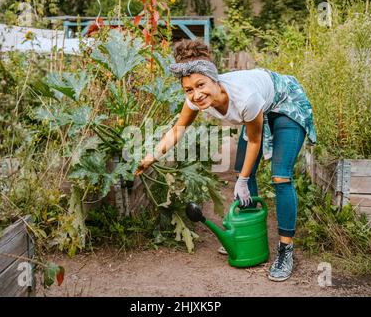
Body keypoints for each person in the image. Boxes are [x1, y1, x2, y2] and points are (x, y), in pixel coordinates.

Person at [134, 39, 316, 282]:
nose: (196, 95)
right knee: (244, 169)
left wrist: (241, 181)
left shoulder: (245, 98)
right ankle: (249, 235)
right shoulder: (194, 99)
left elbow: (254, 141)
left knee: (280, 176)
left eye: (201, 85)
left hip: (285, 102)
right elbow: (178, 129)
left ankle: (286, 250)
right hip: (261, 108)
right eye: (189, 89)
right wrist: (151, 156)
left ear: (215, 80)